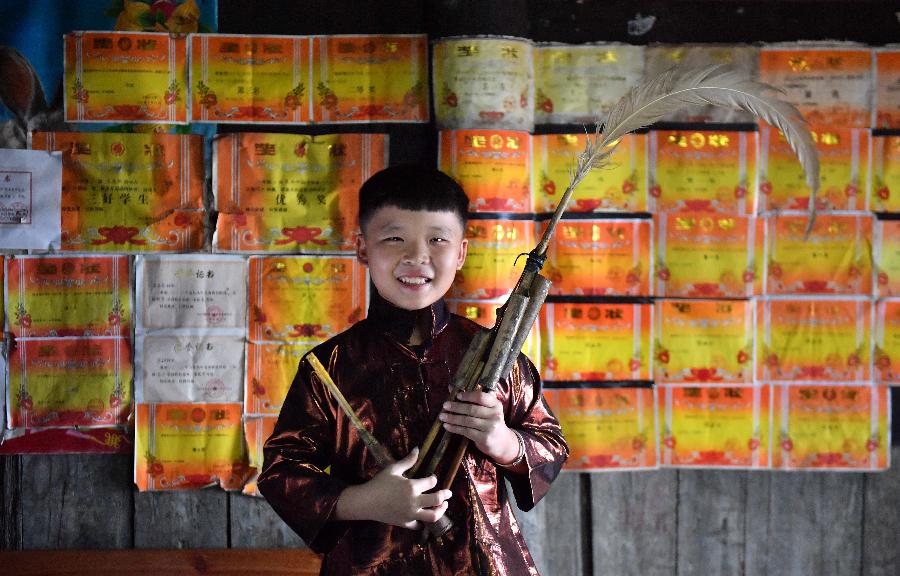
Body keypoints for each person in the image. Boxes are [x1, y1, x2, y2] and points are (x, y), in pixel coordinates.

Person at [258, 164, 568, 575]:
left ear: (461, 252)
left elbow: (550, 444)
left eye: (437, 239)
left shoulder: (496, 356)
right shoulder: (328, 367)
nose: (417, 256)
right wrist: (366, 501)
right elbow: (282, 472)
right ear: (362, 248)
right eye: (394, 238)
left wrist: (502, 441)